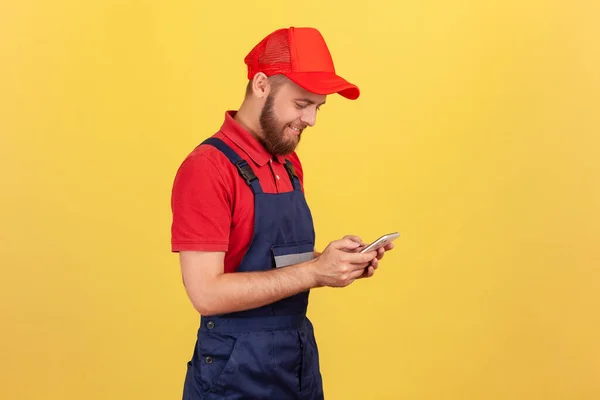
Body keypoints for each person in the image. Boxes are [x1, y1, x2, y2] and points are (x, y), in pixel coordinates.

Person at [170, 26, 394, 400]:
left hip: (297, 358)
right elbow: (205, 294)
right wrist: (314, 272)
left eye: (318, 107)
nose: (311, 120)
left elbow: (274, 262)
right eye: (302, 104)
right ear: (261, 85)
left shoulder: (288, 163)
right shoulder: (207, 168)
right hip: (233, 371)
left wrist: (335, 261)